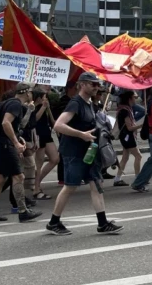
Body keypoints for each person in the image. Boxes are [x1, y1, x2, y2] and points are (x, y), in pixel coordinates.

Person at [47, 72, 122, 236]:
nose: (96, 87)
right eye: (92, 84)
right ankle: (54, 222)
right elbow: (58, 125)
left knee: (96, 184)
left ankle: (102, 223)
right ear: (81, 84)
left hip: (89, 151)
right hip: (74, 152)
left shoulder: (89, 103)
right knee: (70, 187)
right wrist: (81, 134)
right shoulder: (76, 103)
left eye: (97, 85)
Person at [0, 83, 42, 223]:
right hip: (3, 145)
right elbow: (5, 123)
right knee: (19, 176)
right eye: (31, 92)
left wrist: (18, 138)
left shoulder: (12, 104)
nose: (32, 95)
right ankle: (22, 211)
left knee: (1, 178)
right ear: (27, 93)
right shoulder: (15, 104)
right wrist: (15, 143)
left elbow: (16, 126)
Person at [32, 89, 59, 200]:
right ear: (38, 98)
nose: (46, 99)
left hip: (46, 133)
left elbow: (52, 121)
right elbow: (35, 119)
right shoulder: (32, 106)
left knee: (55, 158)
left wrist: (47, 108)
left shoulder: (46, 106)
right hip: (38, 135)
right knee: (39, 163)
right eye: (44, 97)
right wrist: (43, 107)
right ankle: (36, 189)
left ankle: (37, 182)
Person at [114, 90, 143, 187]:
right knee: (138, 156)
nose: (136, 99)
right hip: (127, 137)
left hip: (125, 136)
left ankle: (117, 179)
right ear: (129, 98)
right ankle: (138, 178)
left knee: (125, 157)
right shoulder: (125, 111)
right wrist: (142, 125)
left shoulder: (124, 109)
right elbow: (130, 127)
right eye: (134, 97)